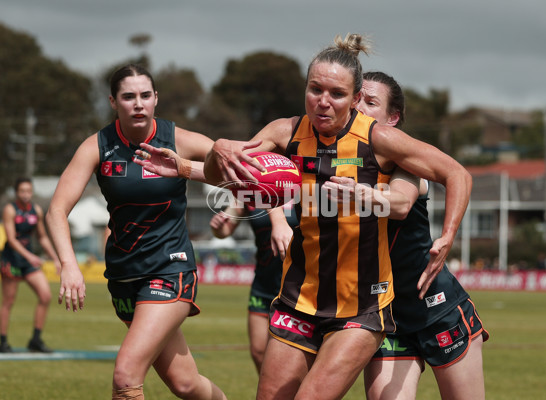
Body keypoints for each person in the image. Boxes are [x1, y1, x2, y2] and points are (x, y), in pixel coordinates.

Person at [136, 33, 472, 400]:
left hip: (361, 306)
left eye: (337, 94)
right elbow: (228, 173)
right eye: (315, 89)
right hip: (299, 296)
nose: (323, 102)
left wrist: (447, 236)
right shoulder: (286, 132)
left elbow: (456, 174)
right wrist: (210, 154)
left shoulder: (378, 140)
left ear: (356, 99)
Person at [45, 64, 227, 400]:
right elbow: (57, 210)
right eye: (128, 96)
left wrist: (185, 168)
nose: (138, 103)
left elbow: (230, 172)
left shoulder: (178, 139)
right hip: (124, 277)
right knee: (186, 384)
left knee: (126, 375)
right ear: (114, 102)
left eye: (145, 95)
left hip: (170, 269)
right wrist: (69, 265)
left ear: (156, 98)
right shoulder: (97, 146)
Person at [354, 71, 488, 400]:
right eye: (356, 99)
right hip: (384, 313)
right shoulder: (336, 159)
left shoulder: (406, 160)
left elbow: (401, 203)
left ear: (393, 118)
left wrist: (448, 236)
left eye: (371, 103)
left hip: (435, 307)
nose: (360, 108)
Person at [209, 201, 297, 372]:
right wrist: (217, 228)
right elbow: (225, 229)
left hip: (300, 286)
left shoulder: (307, 186)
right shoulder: (252, 188)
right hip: (264, 283)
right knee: (259, 351)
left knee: (297, 357)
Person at [1, 177, 60, 353]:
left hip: (29, 262)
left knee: (45, 296)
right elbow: (11, 239)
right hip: (11, 260)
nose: (26, 195)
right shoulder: (10, 210)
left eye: (28, 191)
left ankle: (35, 340)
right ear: (16, 192)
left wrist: (56, 258)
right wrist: (30, 256)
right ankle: (2, 341)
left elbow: (42, 237)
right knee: (8, 301)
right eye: (22, 191)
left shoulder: (36, 211)